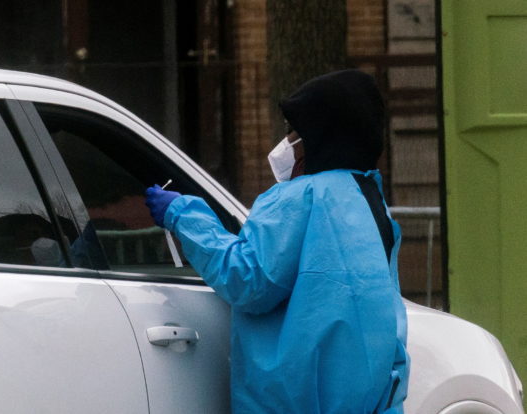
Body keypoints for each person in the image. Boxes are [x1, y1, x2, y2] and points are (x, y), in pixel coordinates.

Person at [145, 69, 409, 413]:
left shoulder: (298, 198)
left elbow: (247, 278)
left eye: (293, 132)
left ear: (318, 136)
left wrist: (182, 214)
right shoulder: (373, 205)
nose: (286, 144)